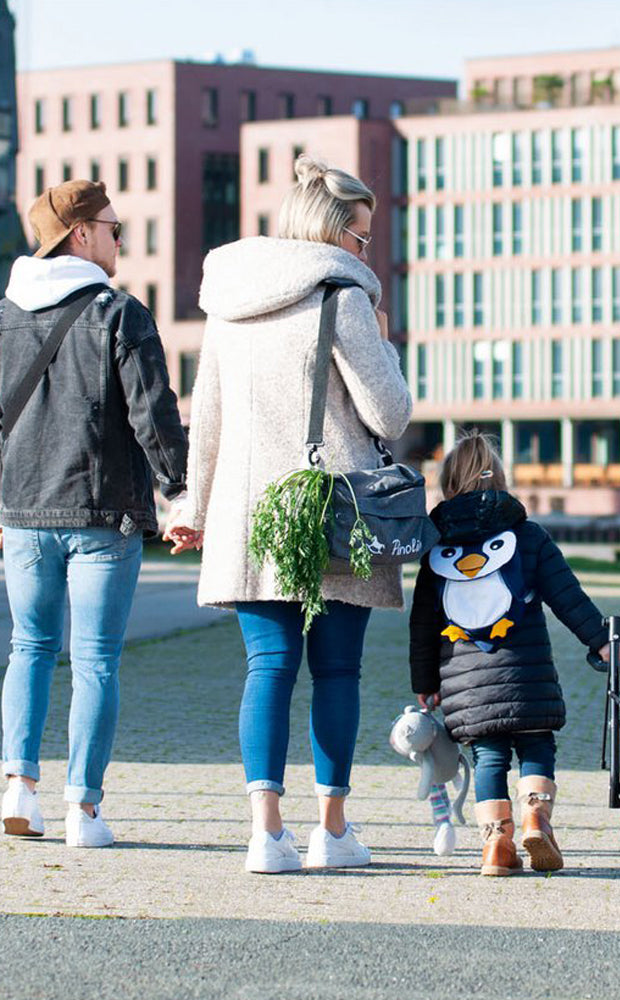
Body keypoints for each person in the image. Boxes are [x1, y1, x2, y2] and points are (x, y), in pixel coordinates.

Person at [164, 156, 411, 875]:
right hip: (334, 508)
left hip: (250, 512)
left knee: (267, 666)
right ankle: (331, 831)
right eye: (361, 238)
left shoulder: (229, 300)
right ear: (333, 234)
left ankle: (264, 834)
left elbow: (203, 417)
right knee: (337, 673)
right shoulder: (346, 297)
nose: (368, 251)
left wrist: (194, 506)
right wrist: (384, 343)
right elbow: (389, 414)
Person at [0, 179, 188, 847]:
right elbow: (153, 414)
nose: (120, 241)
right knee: (96, 660)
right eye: (113, 229)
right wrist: (180, 490)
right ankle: (84, 811)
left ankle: (18, 790)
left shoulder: (4, 312)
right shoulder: (120, 313)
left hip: (22, 512)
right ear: (80, 235)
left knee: (28, 648)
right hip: (102, 514)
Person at [409, 431, 618, 876]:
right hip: (528, 676)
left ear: (449, 486)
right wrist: (602, 641)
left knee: (489, 756)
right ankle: (535, 818)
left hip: (467, 685)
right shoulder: (528, 536)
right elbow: (568, 597)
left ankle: (496, 847)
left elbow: (423, 623)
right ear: (501, 480)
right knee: (537, 743)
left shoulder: (436, 548)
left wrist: (425, 682)